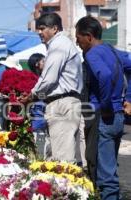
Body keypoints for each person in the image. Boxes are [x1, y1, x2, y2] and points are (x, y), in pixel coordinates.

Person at [75, 16, 131, 200]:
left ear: (88, 36)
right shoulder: (111, 50)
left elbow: (105, 76)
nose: (77, 42)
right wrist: (127, 98)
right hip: (118, 116)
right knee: (110, 169)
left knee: (104, 176)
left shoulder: (93, 54)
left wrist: (106, 105)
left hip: (104, 116)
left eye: (78, 38)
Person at [21, 13, 83, 163]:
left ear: (54, 28)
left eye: (42, 28)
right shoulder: (60, 44)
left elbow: (49, 78)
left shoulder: (59, 45)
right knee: (57, 154)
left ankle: (65, 187)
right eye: (38, 29)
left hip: (62, 103)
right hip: (62, 101)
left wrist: (31, 95)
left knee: (62, 159)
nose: (39, 33)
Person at [27, 53, 51, 159]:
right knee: (41, 152)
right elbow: (37, 96)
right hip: (38, 121)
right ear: (37, 64)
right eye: (43, 61)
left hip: (47, 118)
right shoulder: (33, 80)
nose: (46, 62)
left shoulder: (46, 77)